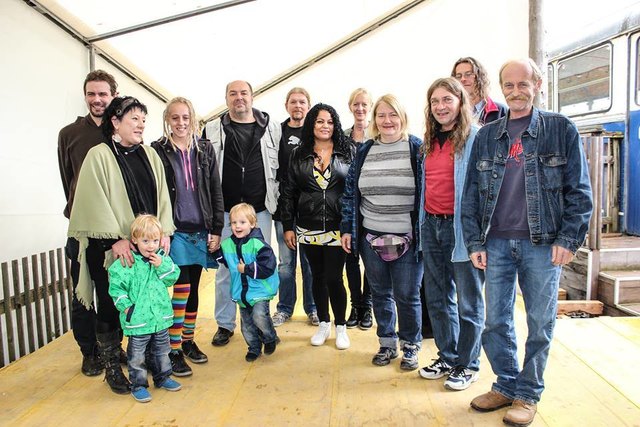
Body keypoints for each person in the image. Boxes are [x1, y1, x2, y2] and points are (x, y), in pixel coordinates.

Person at [461, 59, 592, 426]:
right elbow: (471, 194)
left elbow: (580, 191)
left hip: (543, 244)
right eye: (508, 85)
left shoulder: (559, 128)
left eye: (522, 84)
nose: (515, 91)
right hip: (497, 242)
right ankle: (505, 383)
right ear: (500, 88)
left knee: (539, 322)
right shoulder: (487, 134)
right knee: (495, 321)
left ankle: (528, 393)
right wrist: (474, 242)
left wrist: (569, 238)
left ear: (537, 84)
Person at [67, 96, 175, 394]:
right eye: (134, 119)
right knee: (112, 306)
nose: (141, 124)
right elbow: (91, 201)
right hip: (110, 250)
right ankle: (112, 366)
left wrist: (163, 230)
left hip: (145, 248)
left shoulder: (150, 154)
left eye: (143, 119)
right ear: (115, 121)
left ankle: (147, 358)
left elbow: (163, 195)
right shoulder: (98, 155)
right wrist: (116, 239)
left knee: (146, 301)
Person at [340, 94, 423, 370]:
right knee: (380, 292)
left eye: (393, 115)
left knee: (407, 295)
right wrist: (348, 229)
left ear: (402, 117)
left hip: (408, 240)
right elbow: (351, 193)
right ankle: (387, 343)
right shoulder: (364, 151)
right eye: (381, 115)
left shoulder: (416, 148)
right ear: (375, 120)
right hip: (371, 237)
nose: (387, 120)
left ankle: (410, 345)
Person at [417, 78, 484, 391]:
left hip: (462, 229)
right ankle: (448, 356)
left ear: (461, 102)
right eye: (435, 102)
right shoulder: (428, 142)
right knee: (438, 297)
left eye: (447, 100)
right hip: (431, 225)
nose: (441, 107)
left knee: (469, 302)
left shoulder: (476, 137)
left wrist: (479, 235)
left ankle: (468, 364)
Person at [203, 80, 281, 346]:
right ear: (226, 98)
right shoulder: (212, 128)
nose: (239, 98)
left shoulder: (270, 127)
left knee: (259, 266)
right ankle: (225, 324)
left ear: (252, 96)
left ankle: (261, 320)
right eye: (233, 93)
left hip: (260, 211)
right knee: (226, 270)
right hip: (226, 212)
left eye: (243, 93)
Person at [152, 97, 224, 376]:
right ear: (167, 120)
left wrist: (216, 228)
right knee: (180, 289)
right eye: (175, 118)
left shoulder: (205, 149)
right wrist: (158, 231)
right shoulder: (158, 150)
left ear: (193, 119)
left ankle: (188, 341)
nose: (181, 123)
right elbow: (154, 191)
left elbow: (215, 190)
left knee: (193, 289)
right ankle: (172, 350)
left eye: (185, 118)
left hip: (201, 230)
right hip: (174, 232)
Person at [57, 70, 118, 376]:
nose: (97, 100)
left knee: (113, 291)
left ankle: (113, 346)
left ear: (113, 96)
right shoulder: (69, 134)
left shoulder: (120, 132)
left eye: (103, 94)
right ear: (85, 96)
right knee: (83, 293)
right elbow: (68, 178)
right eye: (91, 94)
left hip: (114, 230)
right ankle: (89, 352)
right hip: (80, 229)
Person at [280, 103, 353, 350]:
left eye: (330, 122)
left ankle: (341, 326)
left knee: (334, 277)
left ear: (336, 125)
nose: (325, 126)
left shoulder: (347, 151)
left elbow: (354, 191)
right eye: (320, 121)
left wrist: (350, 225)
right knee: (317, 277)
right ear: (312, 124)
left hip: (337, 226)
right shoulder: (298, 155)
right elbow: (288, 192)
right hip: (307, 226)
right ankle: (324, 323)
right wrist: (288, 225)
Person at [108, 214, 182, 403]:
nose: (151, 246)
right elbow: (116, 287)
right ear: (134, 239)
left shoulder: (161, 258)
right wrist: (127, 309)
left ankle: (163, 377)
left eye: (155, 240)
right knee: (137, 356)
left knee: (162, 351)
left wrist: (161, 265)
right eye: (145, 240)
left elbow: (172, 277)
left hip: (160, 319)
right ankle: (138, 385)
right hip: (138, 321)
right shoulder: (127, 263)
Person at [271, 88, 317, 327]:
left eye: (302, 101)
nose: (298, 105)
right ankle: (284, 308)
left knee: (309, 264)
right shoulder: (278, 132)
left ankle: (313, 308)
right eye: (293, 102)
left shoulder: (316, 133)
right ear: (286, 105)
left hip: (310, 211)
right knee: (286, 264)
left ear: (308, 105)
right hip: (284, 210)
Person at [215, 203, 279, 362]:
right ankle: (254, 348)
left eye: (242, 222)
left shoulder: (259, 245)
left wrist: (248, 269)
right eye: (234, 223)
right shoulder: (228, 244)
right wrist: (214, 251)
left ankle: (270, 337)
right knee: (247, 326)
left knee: (259, 316)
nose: (237, 226)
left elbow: (268, 267)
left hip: (259, 292)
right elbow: (224, 260)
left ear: (252, 223)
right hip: (241, 293)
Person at [342, 88, 373, 330]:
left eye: (364, 104)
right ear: (350, 107)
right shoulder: (342, 137)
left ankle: (368, 305)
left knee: (371, 258)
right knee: (351, 258)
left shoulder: (380, 134)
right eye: (356, 104)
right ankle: (356, 304)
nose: (360, 109)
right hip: (349, 205)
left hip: (373, 207)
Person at [451, 57, 507, 125]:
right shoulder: (451, 112)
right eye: (459, 76)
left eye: (468, 74)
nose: (463, 79)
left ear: (480, 77)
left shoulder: (501, 111)